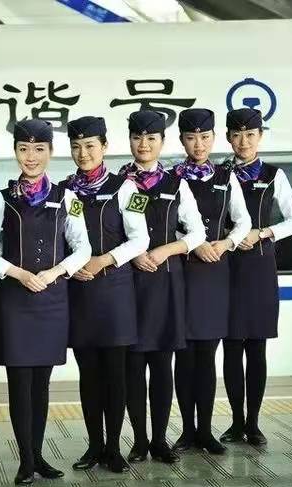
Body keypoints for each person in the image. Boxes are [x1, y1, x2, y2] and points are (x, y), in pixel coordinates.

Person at [0, 118, 91, 485]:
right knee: (20, 383)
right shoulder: (1, 198)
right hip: (15, 300)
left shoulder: (67, 198)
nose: (31, 156)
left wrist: (54, 273)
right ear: (15, 152)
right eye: (24, 149)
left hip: (52, 299)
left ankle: (38, 456)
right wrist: (19, 274)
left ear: (50, 152)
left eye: (39, 149)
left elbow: (82, 247)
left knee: (41, 384)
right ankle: (25, 460)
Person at [60, 116, 149, 473]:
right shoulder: (65, 191)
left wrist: (103, 260)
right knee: (89, 375)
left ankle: (114, 447)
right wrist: (72, 265)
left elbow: (140, 239)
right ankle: (94, 445)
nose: (83, 153)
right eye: (76, 147)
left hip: (115, 293)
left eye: (90, 146)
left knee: (116, 374)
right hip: (79, 292)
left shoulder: (127, 189)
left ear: (105, 147)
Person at [120, 110, 205, 464]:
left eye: (151, 138)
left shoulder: (176, 184)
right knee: (132, 367)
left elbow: (197, 232)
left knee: (161, 365)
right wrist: (133, 254)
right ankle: (139, 441)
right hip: (129, 284)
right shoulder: (118, 183)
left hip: (166, 283)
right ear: (129, 141)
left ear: (162, 142)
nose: (144, 144)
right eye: (137, 138)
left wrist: (166, 250)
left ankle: (159, 440)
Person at [221, 108, 292, 447]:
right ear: (228, 137)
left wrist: (263, 232)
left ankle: (253, 423)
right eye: (237, 135)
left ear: (260, 136)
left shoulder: (273, 175)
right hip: (225, 267)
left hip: (259, 268)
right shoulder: (219, 173)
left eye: (250, 135)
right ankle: (235, 422)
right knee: (230, 348)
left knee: (256, 347)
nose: (243, 141)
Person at [171, 108, 251, 456]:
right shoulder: (171, 178)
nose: (198, 144)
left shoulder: (226, 177)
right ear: (182, 140)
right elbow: (161, 224)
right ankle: (187, 431)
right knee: (183, 355)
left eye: (204, 138)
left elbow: (243, 221)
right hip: (181, 271)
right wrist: (193, 242)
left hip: (215, 272)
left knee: (207, 354)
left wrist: (227, 243)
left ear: (214, 139)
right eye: (191, 138)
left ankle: (205, 431)